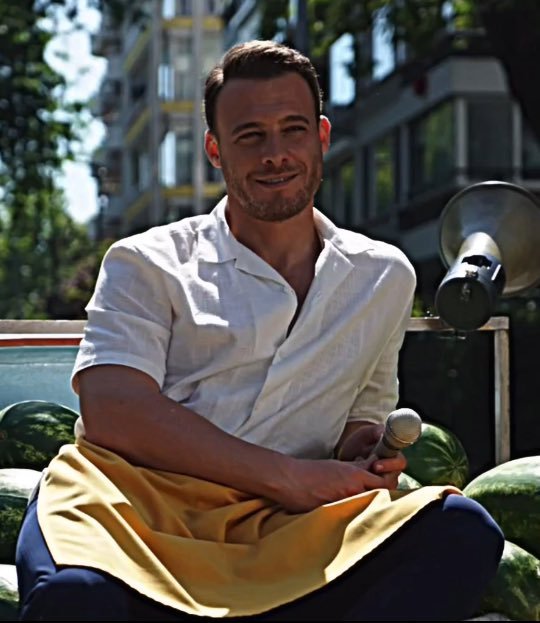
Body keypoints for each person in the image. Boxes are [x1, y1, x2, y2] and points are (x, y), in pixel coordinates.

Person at [16, 40, 503, 621]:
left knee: (461, 531)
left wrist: (362, 451)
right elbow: (112, 411)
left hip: (286, 529)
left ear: (321, 136)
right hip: (132, 512)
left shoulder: (384, 275)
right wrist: (289, 477)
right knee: (76, 599)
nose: (275, 154)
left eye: (293, 130)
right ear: (215, 150)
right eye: (250, 136)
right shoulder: (144, 260)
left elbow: (363, 416)